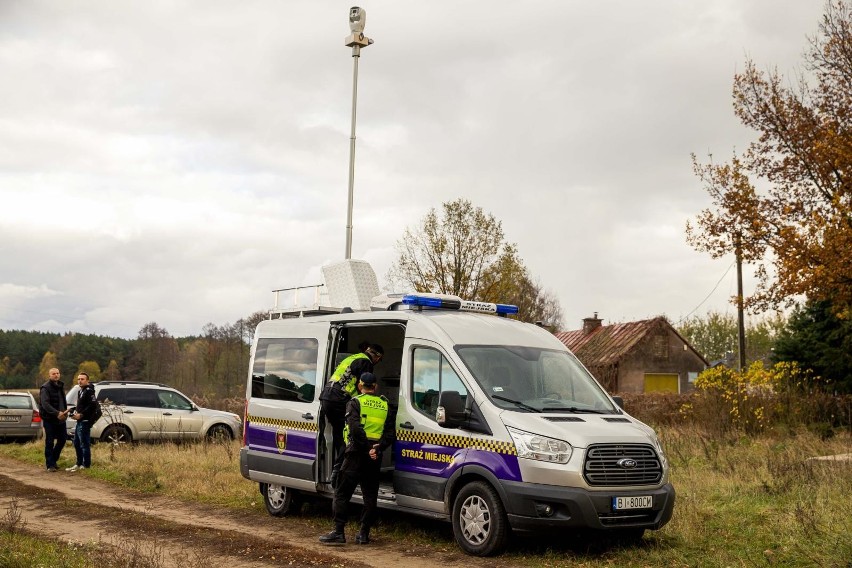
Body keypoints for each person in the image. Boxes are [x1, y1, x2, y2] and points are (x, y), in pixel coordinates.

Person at [319, 372, 395, 545]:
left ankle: (339, 532)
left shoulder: (355, 402)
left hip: (356, 453)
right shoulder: (385, 405)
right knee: (370, 496)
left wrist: (367, 448)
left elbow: (354, 429)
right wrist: (377, 447)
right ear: (375, 387)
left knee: (341, 492)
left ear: (360, 386)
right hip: (374, 455)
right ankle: (363, 534)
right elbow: (391, 434)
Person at [319, 343, 384, 484]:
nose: (378, 362)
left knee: (339, 435)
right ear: (377, 357)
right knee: (349, 437)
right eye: (380, 360)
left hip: (327, 397)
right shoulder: (366, 363)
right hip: (339, 399)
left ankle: (336, 472)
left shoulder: (353, 357)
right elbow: (362, 388)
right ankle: (338, 475)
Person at [38, 367, 69, 472]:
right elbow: (45, 404)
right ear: (49, 375)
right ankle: (50, 465)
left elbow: (62, 401)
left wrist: (65, 412)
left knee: (63, 439)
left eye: (57, 373)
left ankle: (53, 460)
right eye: (53, 374)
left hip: (61, 418)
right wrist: (56, 413)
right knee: (50, 441)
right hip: (49, 419)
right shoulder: (45, 388)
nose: (56, 375)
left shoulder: (60, 386)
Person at [67, 372, 96, 472]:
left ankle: (86, 464)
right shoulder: (80, 391)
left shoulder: (89, 391)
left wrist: (82, 414)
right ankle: (78, 463)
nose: (80, 381)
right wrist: (74, 412)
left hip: (85, 420)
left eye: (82, 379)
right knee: (76, 443)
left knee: (84, 444)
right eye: (78, 379)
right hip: (79, 421)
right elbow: (81, 405)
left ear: (87, 380)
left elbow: (92, 406)